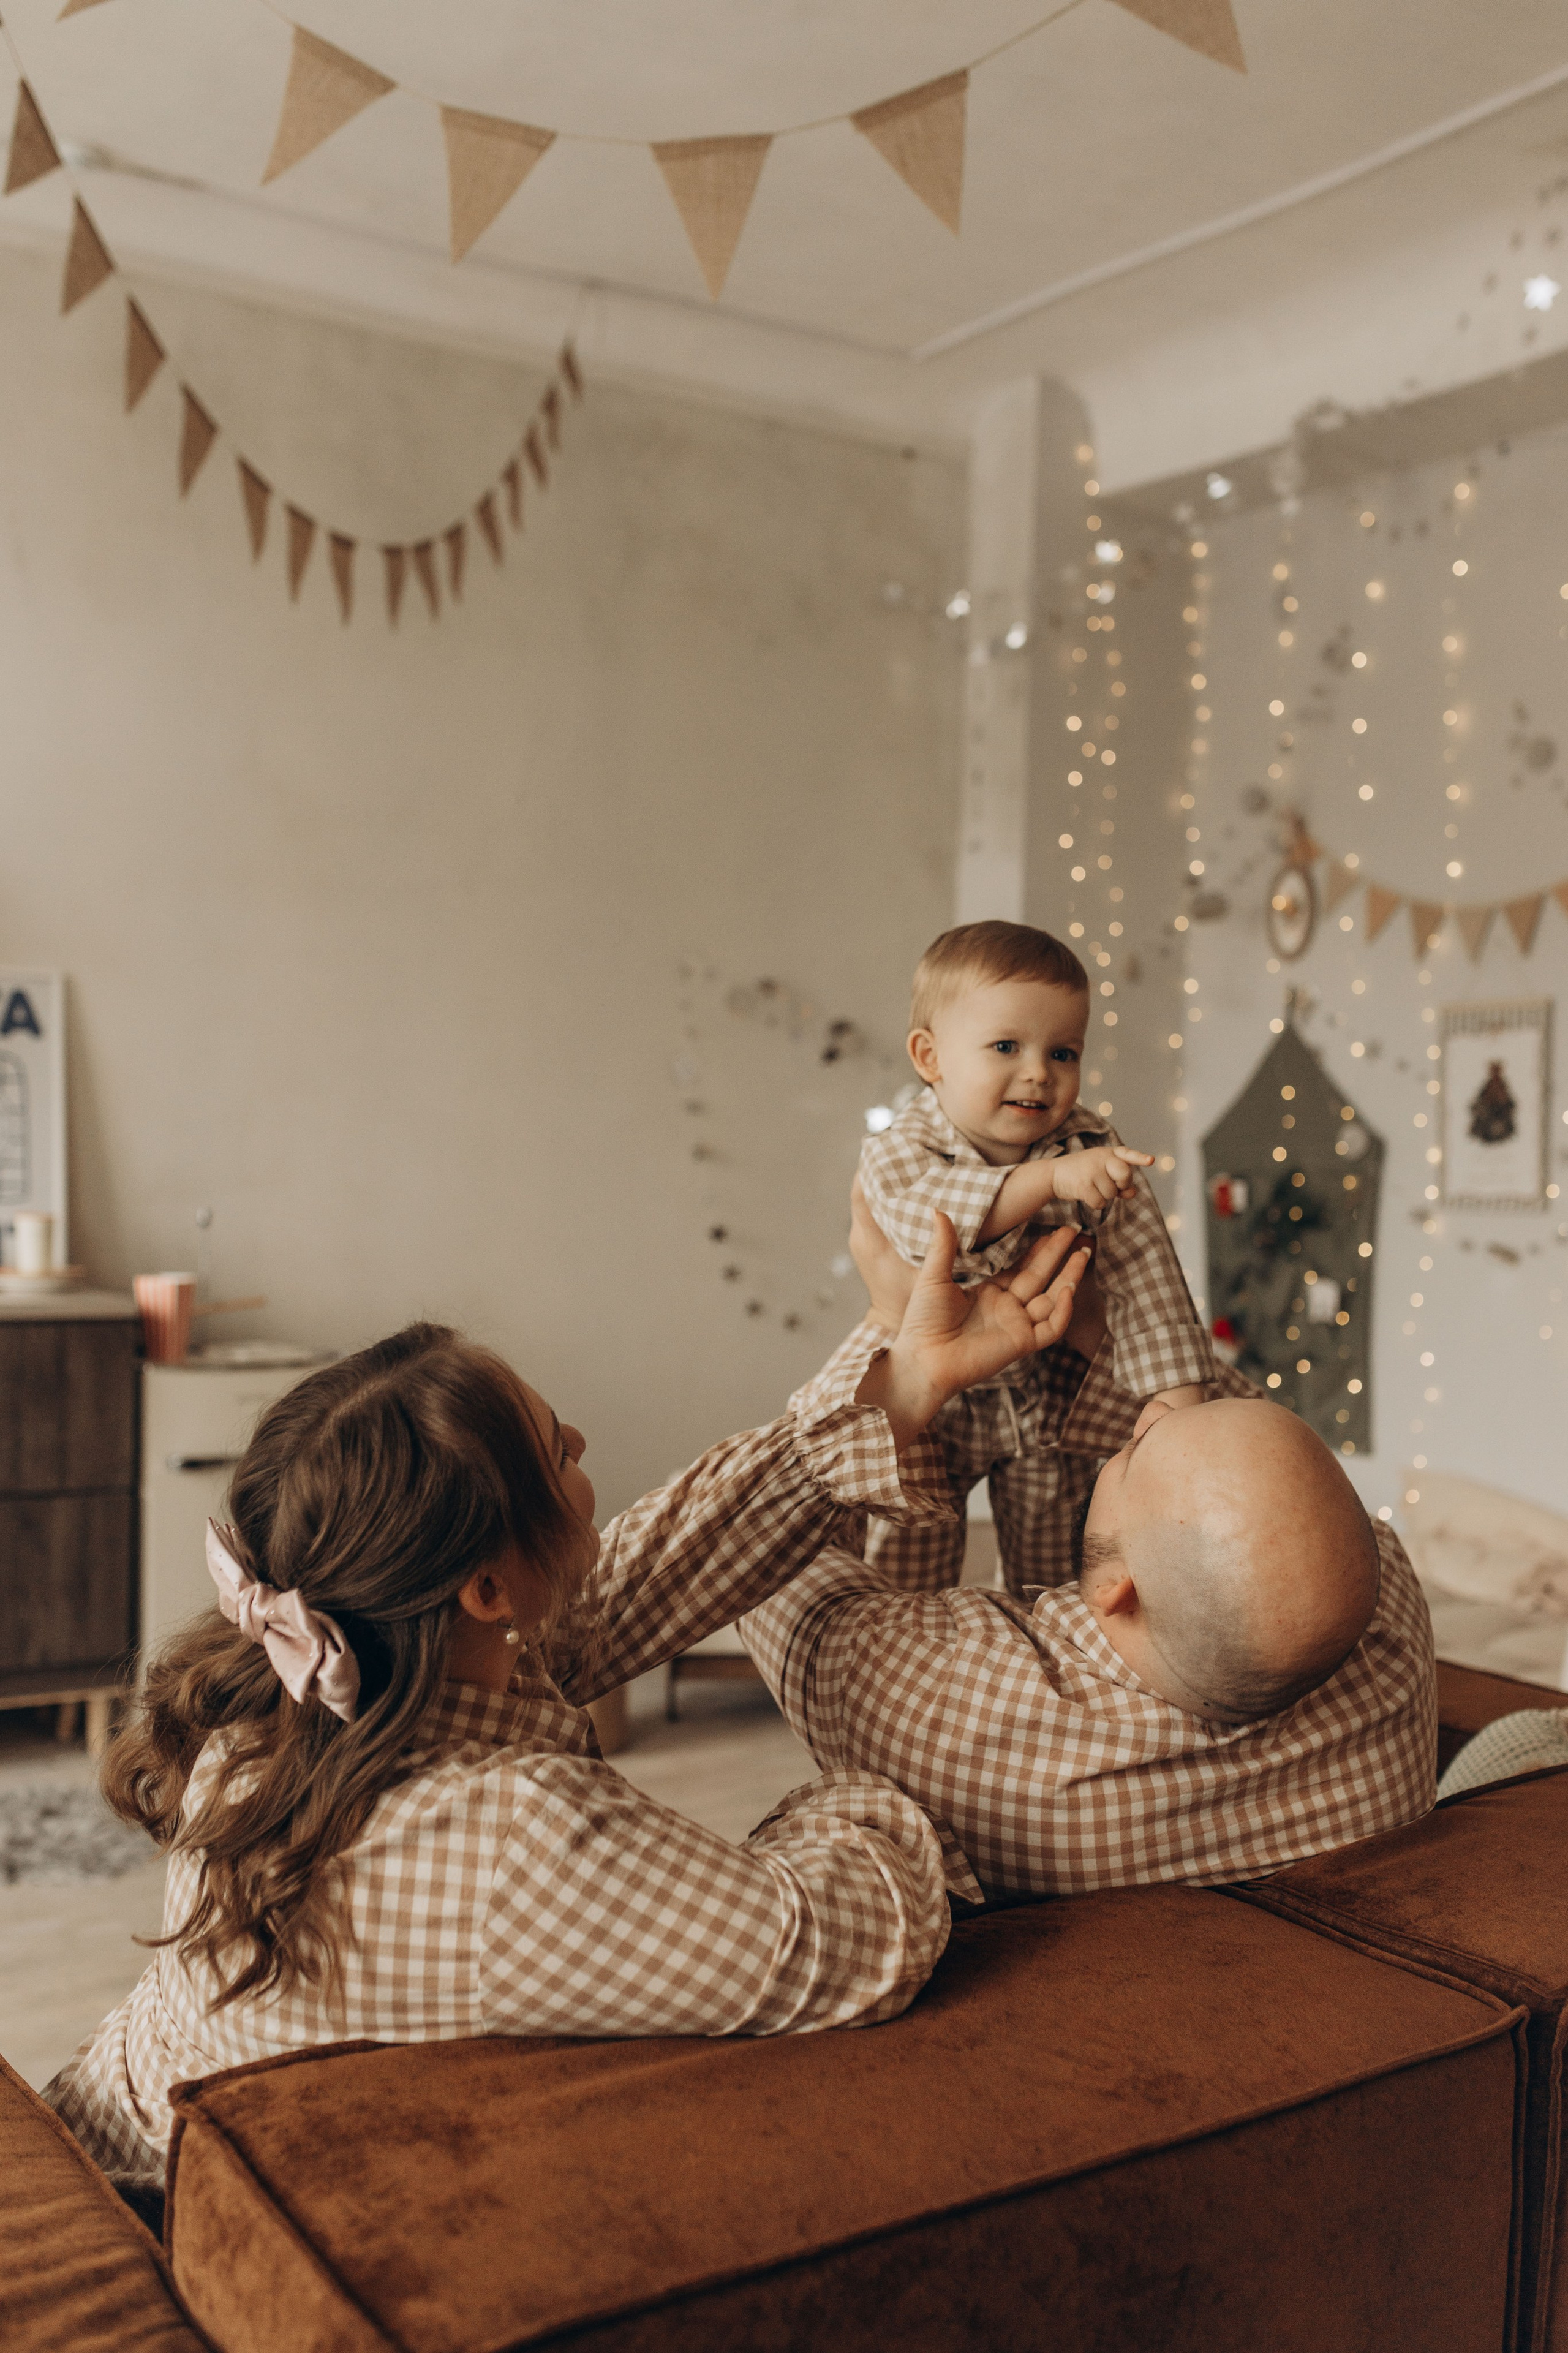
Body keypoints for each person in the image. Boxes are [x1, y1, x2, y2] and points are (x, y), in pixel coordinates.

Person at [46, 1223, 1090, 2200]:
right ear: (487, 1593)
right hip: (162, 2216)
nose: (584, 1439)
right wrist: (883, 1771)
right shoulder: (508, 1843)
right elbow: (840, 1944)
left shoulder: (309, 1695)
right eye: (561, 1455)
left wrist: (903, 1387)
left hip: (98, 2120)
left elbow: (635, 1575)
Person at [741, 1198, 1436, 1905]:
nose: (1148, 1411)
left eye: (1134, 1453)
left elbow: (763, 1555)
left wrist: (891, 1335)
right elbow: (1249, 1464)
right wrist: (1113, 1334)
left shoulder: (965, 1707)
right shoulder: (1392, 1633)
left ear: (1117, 1589)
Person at [856, 920, 1215, 1596]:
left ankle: (1043, 1658)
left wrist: (1179, 1412)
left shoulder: (1089, 1144)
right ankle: (899, 1659)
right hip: (923, 1386)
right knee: (904, 1547)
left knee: (1055, 1565)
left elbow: (1145, 1274)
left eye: (1064, 1052)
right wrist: (1047, 1183)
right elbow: (921, 1225)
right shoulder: (903, 1145)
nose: (1038, 1073)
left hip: (1046, 1387)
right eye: (1005, 1046)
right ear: (929, 1058)